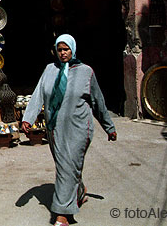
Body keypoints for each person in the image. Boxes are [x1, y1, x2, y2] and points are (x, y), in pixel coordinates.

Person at [21, 34, 117, 226]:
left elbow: (98, 102)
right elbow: (39, 94)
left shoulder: (86, 72)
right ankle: (79, 191)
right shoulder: (50, 69)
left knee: (67, 167)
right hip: (55, 129)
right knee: (67, 167)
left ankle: (62, 214)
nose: (63, 53)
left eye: (66, 49)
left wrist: (109, 127)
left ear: (73, 49)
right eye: (60, 50)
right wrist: (28, 118)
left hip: (79, 129)